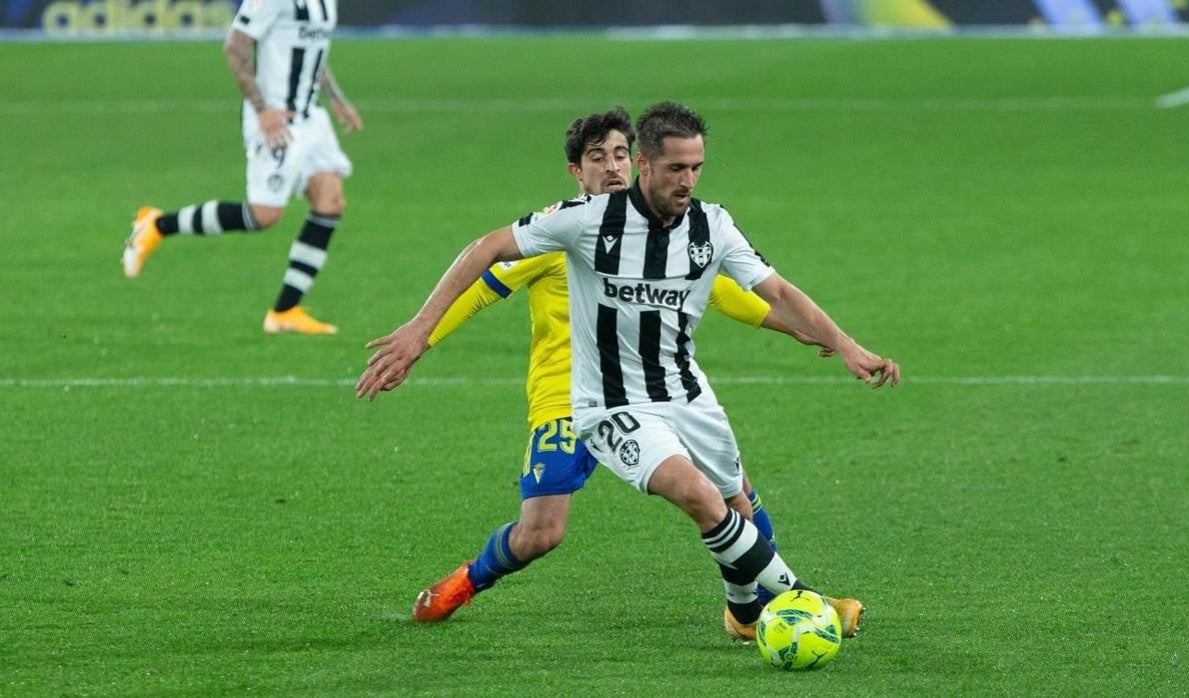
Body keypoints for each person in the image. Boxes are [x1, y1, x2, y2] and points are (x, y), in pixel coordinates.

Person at [357, 101, 900, 641]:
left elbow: (733, 290)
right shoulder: (569, 226)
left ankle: (744, 609)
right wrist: (418, 335)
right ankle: (801, 599)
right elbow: (481, 274)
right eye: (601, 158)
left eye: (620, 154)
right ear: (585, 170)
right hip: (577, 401)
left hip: (679, 392)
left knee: (737, 497)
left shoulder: (706, 226)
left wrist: (826, 337)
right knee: (545, 532)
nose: (613, 167)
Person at [122, 0, 362, 335]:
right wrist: (263, 111)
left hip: (311, 118)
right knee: (264, 215)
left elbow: (313, 51)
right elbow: (235, 45)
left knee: (330, 202)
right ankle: (158, 224)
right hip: (277, 120)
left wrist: (337, 99)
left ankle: (284, 311)